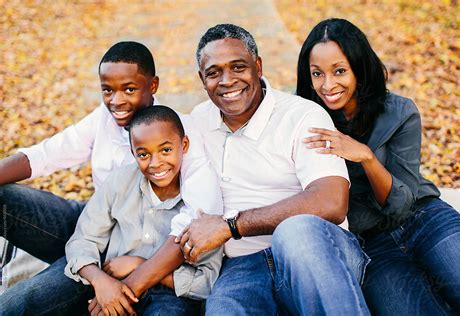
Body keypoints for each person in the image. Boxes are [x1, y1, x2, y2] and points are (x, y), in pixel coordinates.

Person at [175, 24, 371, 315]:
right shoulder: (197, 122)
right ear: (202, 79)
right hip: (243, 265)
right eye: (214, 72)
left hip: (318, 253)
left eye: (238, 67)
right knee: (223, 309)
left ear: (258, 66)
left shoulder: (302, 115)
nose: (227, 81)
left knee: (296, 231)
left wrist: (231, 225)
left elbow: (332, 202)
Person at [296, 18, 460, 315]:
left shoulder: (399, 112)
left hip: (424, 218)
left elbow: (401, 205)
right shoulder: (306, 120)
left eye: (339, 71)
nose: (327, 85)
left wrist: (365, 156)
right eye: (317, 73)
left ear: (359, 68)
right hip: (372, 247)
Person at [0, 42, 222, 266]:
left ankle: (76, 277)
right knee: (4, 198)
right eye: (108, 90)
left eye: (129, 89)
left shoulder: (179, 132)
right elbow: (46, 155)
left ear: (153, 85)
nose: (116, 101)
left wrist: (140, 272)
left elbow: (196, 215)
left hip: (142, 248)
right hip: (93, 225)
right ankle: (75, 268)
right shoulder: (103, 119)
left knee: (31, 297)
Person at [0, 106, 223, 315]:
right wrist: (101, 282)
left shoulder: (201, 198)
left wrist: (139, 265)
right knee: (23, 301)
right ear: (133, 153)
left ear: (184, 145)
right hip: (105, 274)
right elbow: (82, 239)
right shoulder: (121, 181)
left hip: (168, 296)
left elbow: (206, 282)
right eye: (144, 154)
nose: (155, 163)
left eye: (166, 150)